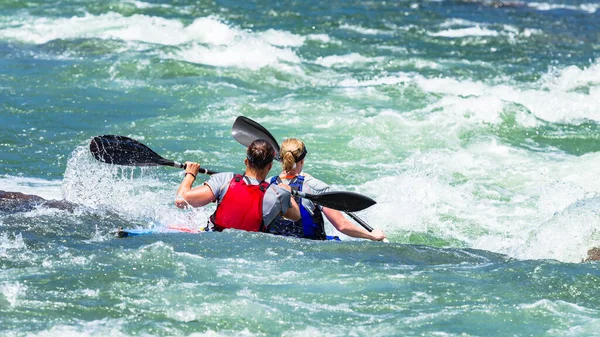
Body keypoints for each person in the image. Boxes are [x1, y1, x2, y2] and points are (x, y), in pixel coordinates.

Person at [269, 138, 387, 241]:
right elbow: (342, 225)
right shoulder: (314, 187)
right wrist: (372, 235)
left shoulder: (268, 184)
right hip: (310, 249)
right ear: (302, 160)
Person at [175, 139, 300, 232]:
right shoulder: (278, 194)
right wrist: (288, 193)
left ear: (246, 162)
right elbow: (296, 216)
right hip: (252, 249)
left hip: (213, 237)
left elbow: (181, 201)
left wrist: (190, 173)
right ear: (270, 166)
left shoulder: (225, 180)